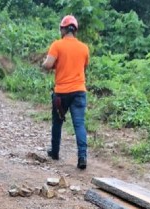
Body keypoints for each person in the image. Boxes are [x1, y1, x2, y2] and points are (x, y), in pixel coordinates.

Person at [42, 15, 90, 170]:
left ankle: (55, 152)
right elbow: (83, 67)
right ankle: (82, 157)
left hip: (61, 93)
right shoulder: (84, 48)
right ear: (75, 30)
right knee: (79, 124)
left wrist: (47, 63)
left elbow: (48, 65)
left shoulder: (57, 45)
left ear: (63, 29)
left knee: (57, 122)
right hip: (79, 91)